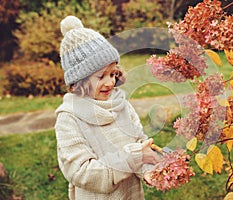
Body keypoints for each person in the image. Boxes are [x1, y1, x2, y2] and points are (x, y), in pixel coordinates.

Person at [55, 16, 161, 200]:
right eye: (101, 76)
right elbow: (82, 172)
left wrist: (147, 169)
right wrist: (133, 158)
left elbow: (139, 143)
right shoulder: (69, 119)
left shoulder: (121, 105)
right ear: (80, 80)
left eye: (113, 73)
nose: (110, 82)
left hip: (131, 194)